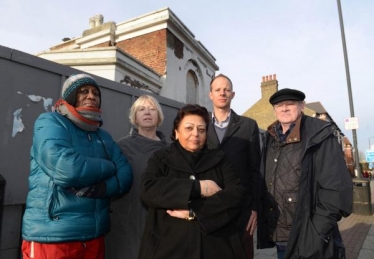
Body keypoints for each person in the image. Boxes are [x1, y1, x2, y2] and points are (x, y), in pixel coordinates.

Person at [21, 74, 133, 259]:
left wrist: (101, 188)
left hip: (94, 236)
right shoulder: (49, 122)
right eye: (84, 91)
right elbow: (67, 169)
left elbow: (126, 175)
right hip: (53, 236)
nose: (91, 96)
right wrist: (110, 167)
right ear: (71, 96)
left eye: (96, 93)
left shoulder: (103, 136)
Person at [139, 104, 247, 259]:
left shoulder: (220, 159)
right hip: (168, 246)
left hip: (216, 247)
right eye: (189, 128)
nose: (196, 133)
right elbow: (148, 190)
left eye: (201, 129)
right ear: (176, 132)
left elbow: (236, 194)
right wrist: (199, 188)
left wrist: (195, 211)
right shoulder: (160, 158)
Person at [257, 88, 352, 258]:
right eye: (279, 105)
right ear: (274, 110)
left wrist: (318, 232)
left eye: (290, 104)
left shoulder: (319, 133)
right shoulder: (270, 138)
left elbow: (336, 188)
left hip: (311, 234)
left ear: (302, 106)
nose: (284, 108)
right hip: (281, 234)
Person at [105, 95, 169, 259]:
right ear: (135, 117)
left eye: (152, 109)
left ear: (159, 116)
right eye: (141, 109)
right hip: (124, 220)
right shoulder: (121, 146)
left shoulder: (169, 151)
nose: (147, 112)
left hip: (155, 221)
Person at [207, 74, 262, 258]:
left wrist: (255, 206)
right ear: (210, 95)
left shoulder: (248, 125)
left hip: (242, 209)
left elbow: (255, 169)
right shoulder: (200, 125)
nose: (222, 93)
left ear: (233, 94)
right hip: (209, 207)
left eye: (226, 89)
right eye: (218, 90)